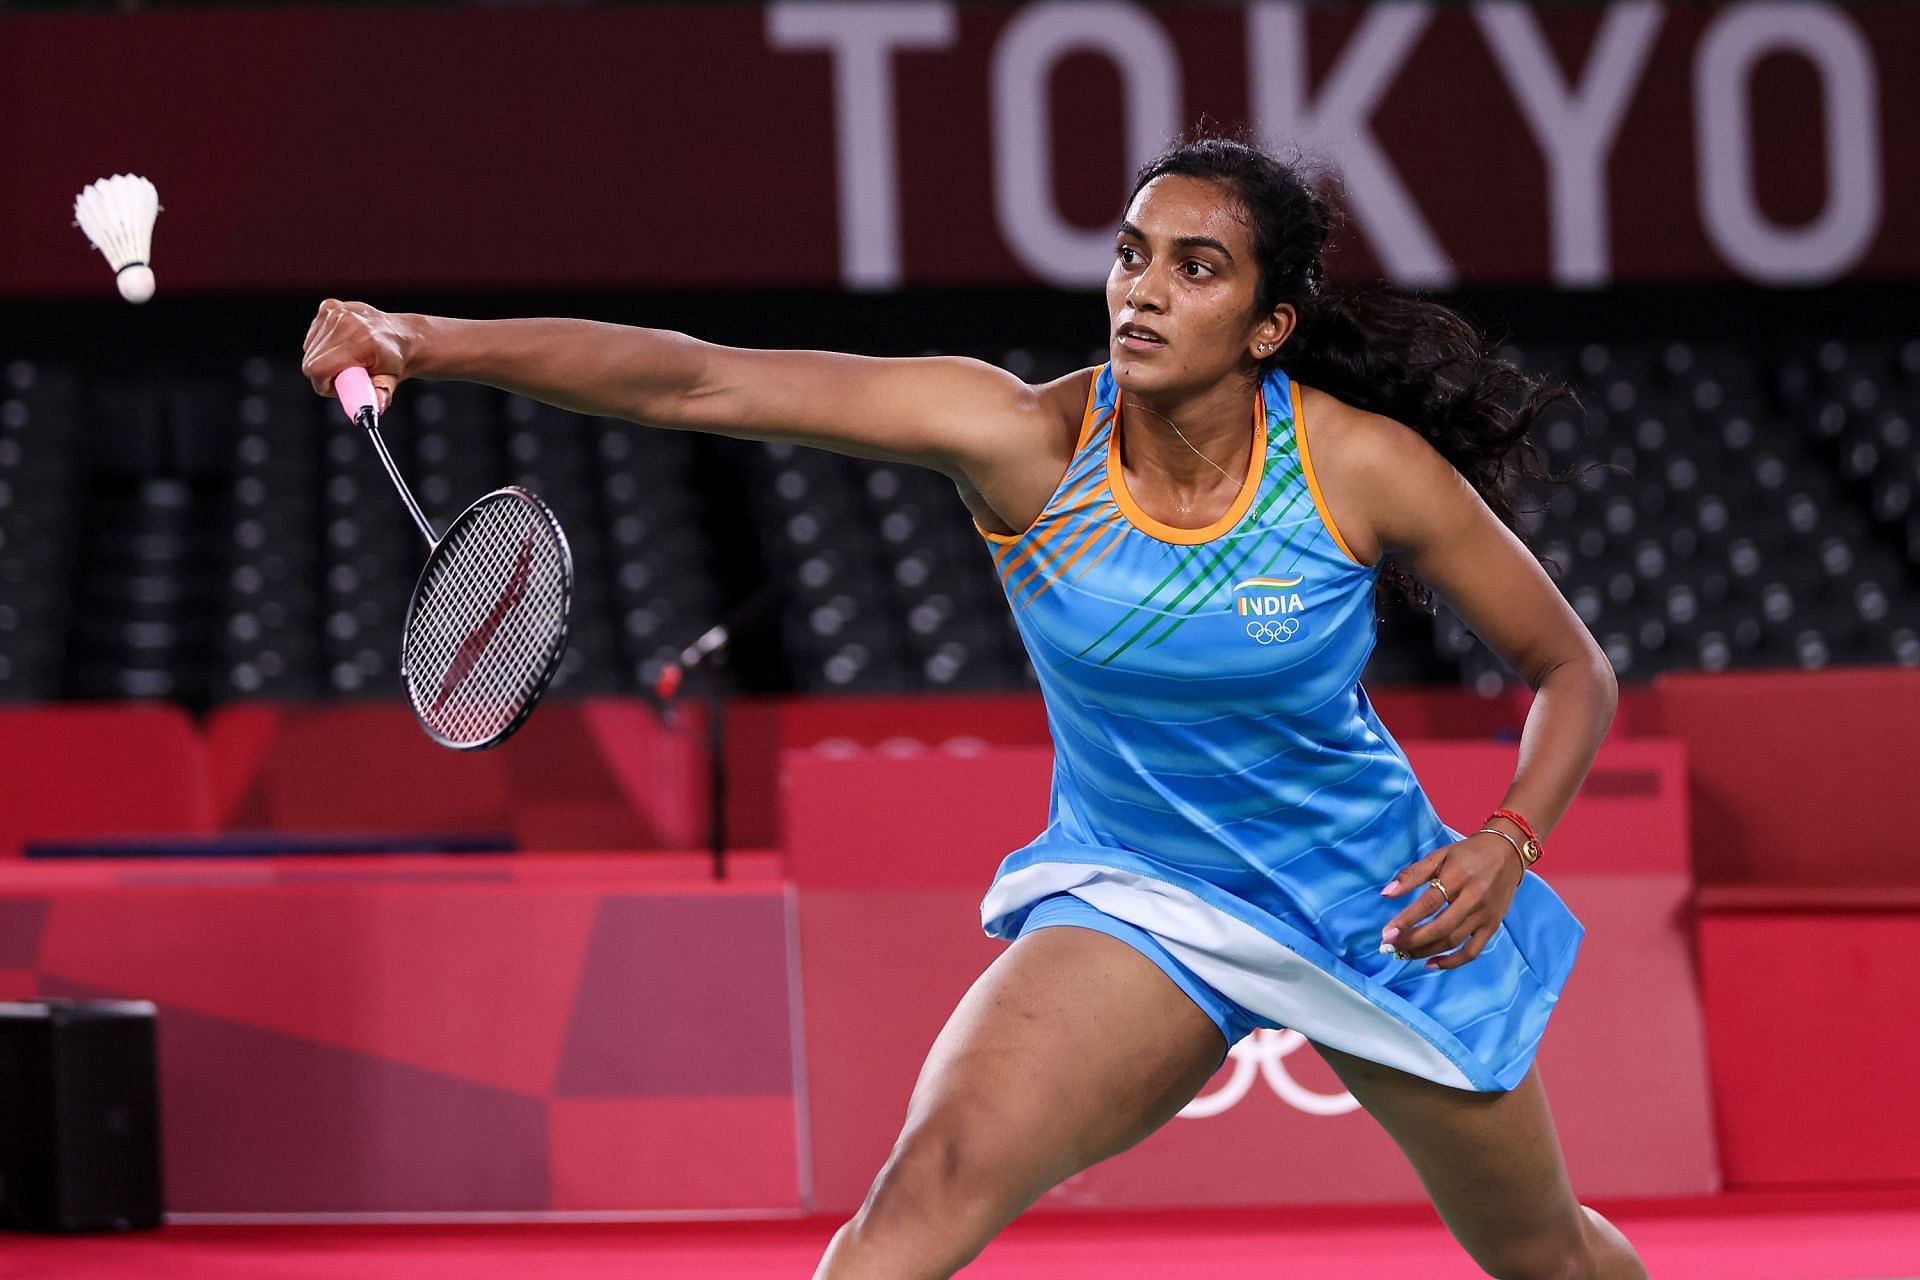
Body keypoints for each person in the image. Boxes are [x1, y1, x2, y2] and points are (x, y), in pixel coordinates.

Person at [302, 135, 1644, 1279]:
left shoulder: (1360, 470)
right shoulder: (1020, 441)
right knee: (928, 1183)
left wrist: (1508, 838)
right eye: (1131, 253)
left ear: (1268, 324)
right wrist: (428, 339)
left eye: (1197, 267)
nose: (1144, 290)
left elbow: (1572, 668)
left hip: (1370, 903)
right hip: (1141, 892)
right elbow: (696, 377)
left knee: (1544, 1259)